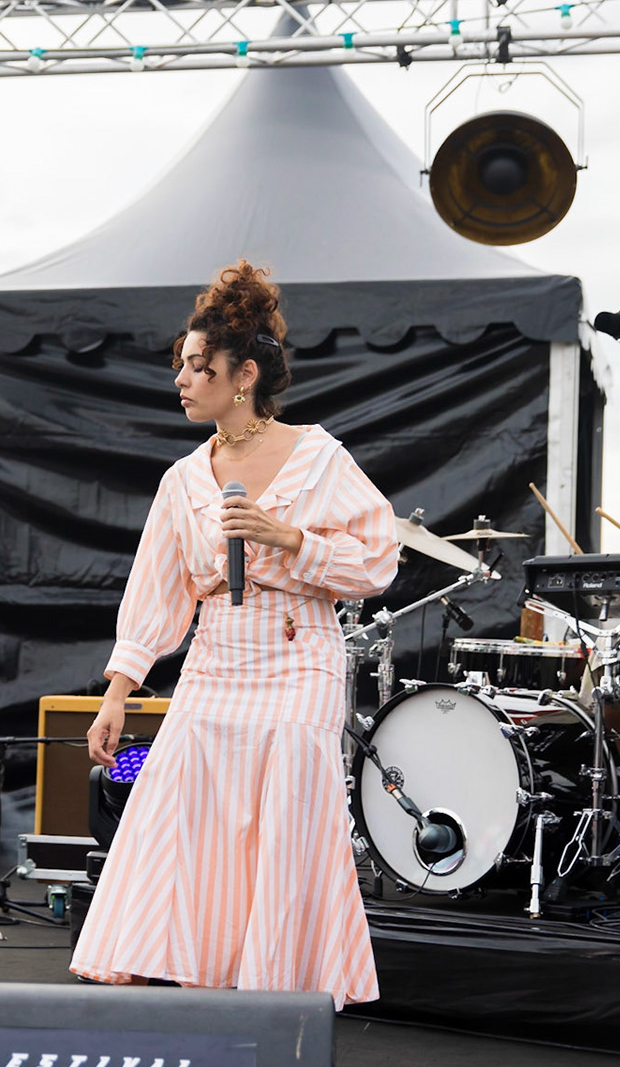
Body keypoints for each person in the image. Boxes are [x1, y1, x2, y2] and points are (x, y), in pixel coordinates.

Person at [69, 261, 400, 1010]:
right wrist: (117, 695)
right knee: (185, 814)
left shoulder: (319, 456)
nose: (182, 381)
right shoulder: (183, 479)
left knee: (286, 822)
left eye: (198, 367)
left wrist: (290, 538)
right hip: (216, 661)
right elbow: (154, 595)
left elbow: (378, 561)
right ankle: (197, 974)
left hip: (299, 658)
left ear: (243, 375)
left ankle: (276, 993)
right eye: (181, 366)